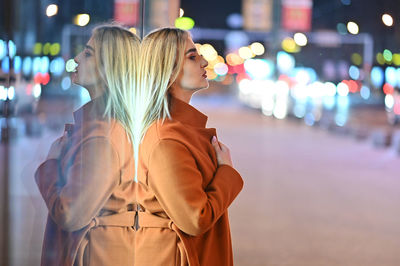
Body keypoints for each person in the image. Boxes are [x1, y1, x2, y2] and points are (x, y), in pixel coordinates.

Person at [133, 27, 244, 266]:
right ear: (167, 70)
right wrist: (227, 171)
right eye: (192, 57)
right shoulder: (167, 140)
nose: (204, 61)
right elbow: (195, 218)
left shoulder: (178, 132)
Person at [34, 24, 140, 266]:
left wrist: (50, 164)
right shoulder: (104, 125)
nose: (77, 58)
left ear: (110, 69)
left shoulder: (102, 135)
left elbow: (70, 215)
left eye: (89, 53)